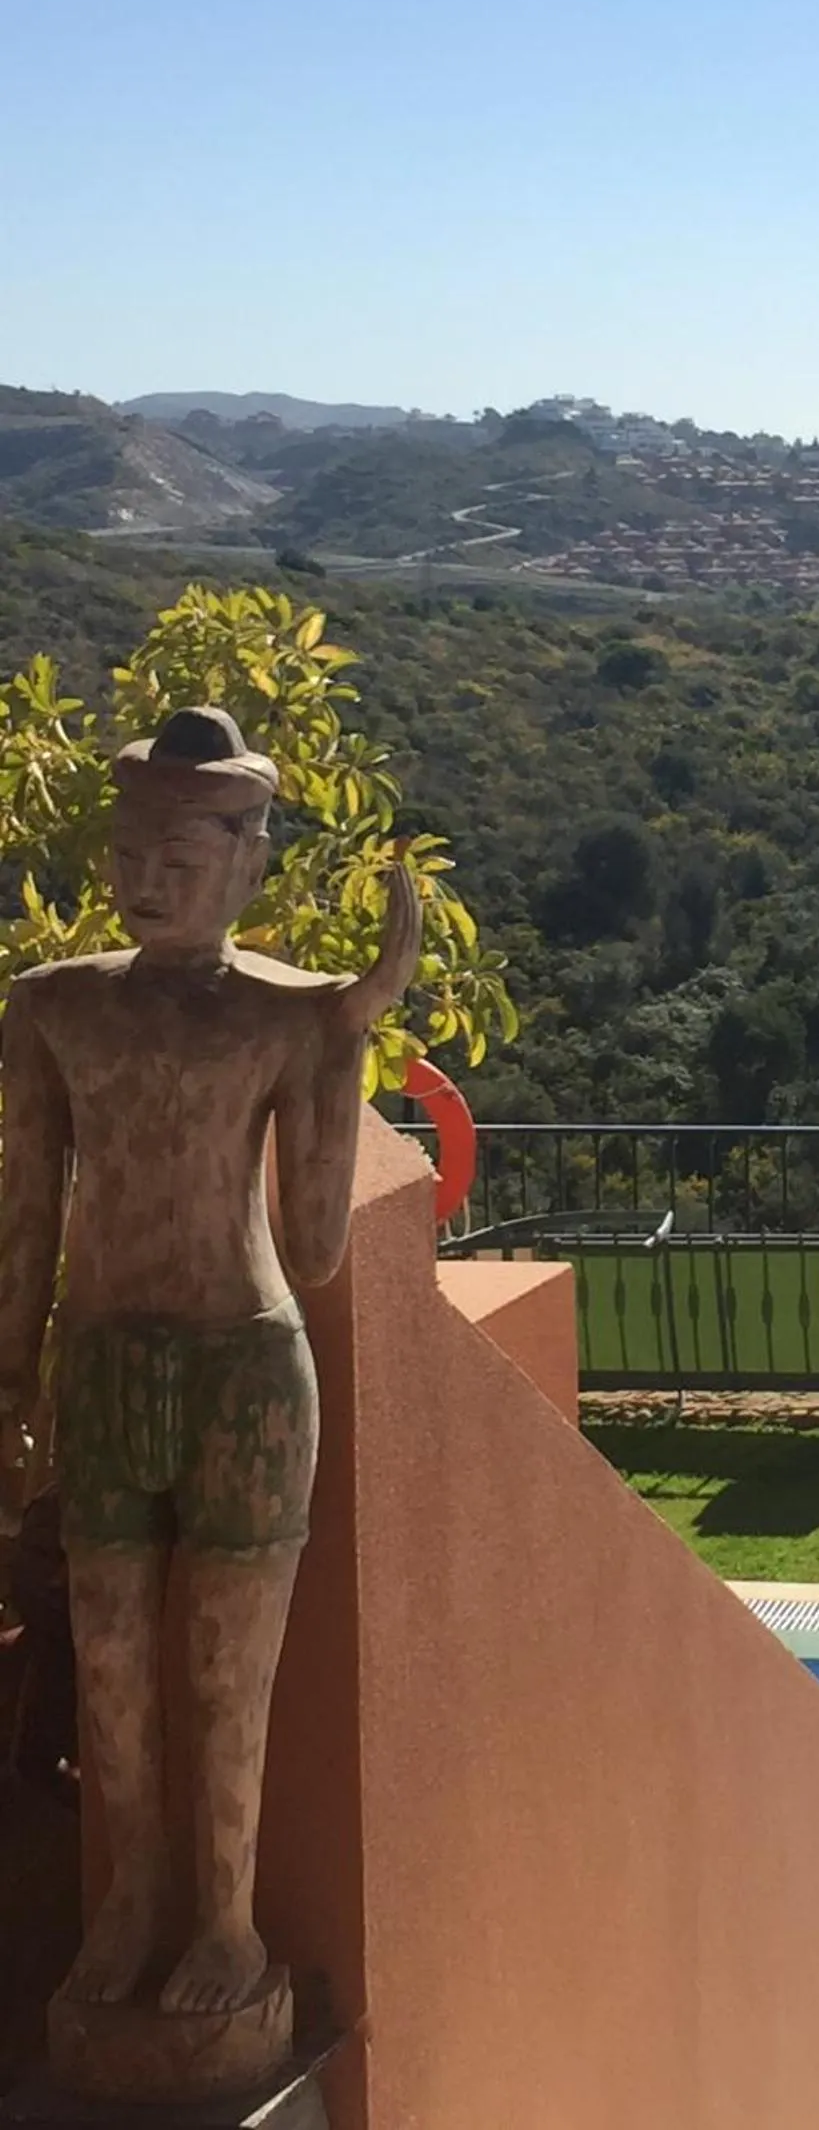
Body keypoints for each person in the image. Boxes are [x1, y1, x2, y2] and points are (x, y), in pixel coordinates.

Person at [0, 705, 418, 2019]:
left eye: (182, 850)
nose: (146, 877)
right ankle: (128, 1904)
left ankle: (225, 1926)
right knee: (113, 1662)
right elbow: (27, 1214)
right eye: (130, 847)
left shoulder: (290, 1018)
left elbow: (312, 1246)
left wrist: (348, 1037)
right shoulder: (52, 1008)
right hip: (104, 1361)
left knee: (226, 1675)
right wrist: (12, 1385)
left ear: (246, 862)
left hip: (244, 1368)